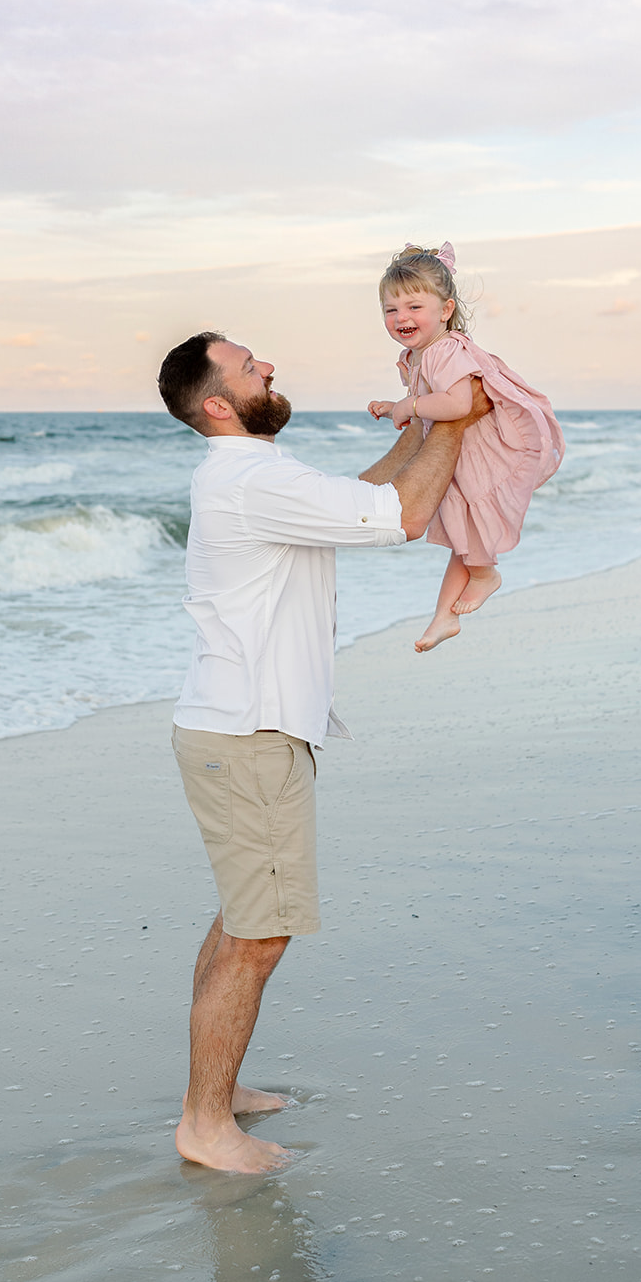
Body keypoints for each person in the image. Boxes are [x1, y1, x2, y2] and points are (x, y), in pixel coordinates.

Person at [156, 330, 491, 1174]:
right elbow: (404, 517)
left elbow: (365, 494)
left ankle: (216, 1093)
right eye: (247, 365)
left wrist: (426, 413)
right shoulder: (253, 477)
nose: (267, 364)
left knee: (243, 919)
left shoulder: (254, 474)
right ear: (219, 404)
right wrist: (457, 415)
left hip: (236, 726)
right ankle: (204, 1125)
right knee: (259, 934)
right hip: (248, 733)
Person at [368, 242, 565, 653]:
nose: (402, 317)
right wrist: (395, 407)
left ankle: (485, 575)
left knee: (466, 526)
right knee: (462, 528)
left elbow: (457, 404)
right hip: (460, 453)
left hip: (479, 451)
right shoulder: (420, 354)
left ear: (445, 309)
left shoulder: (444, 350)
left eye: (414, 307)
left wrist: (409, 404)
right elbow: (434, 402)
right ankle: (445, 615)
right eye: (391, 309)